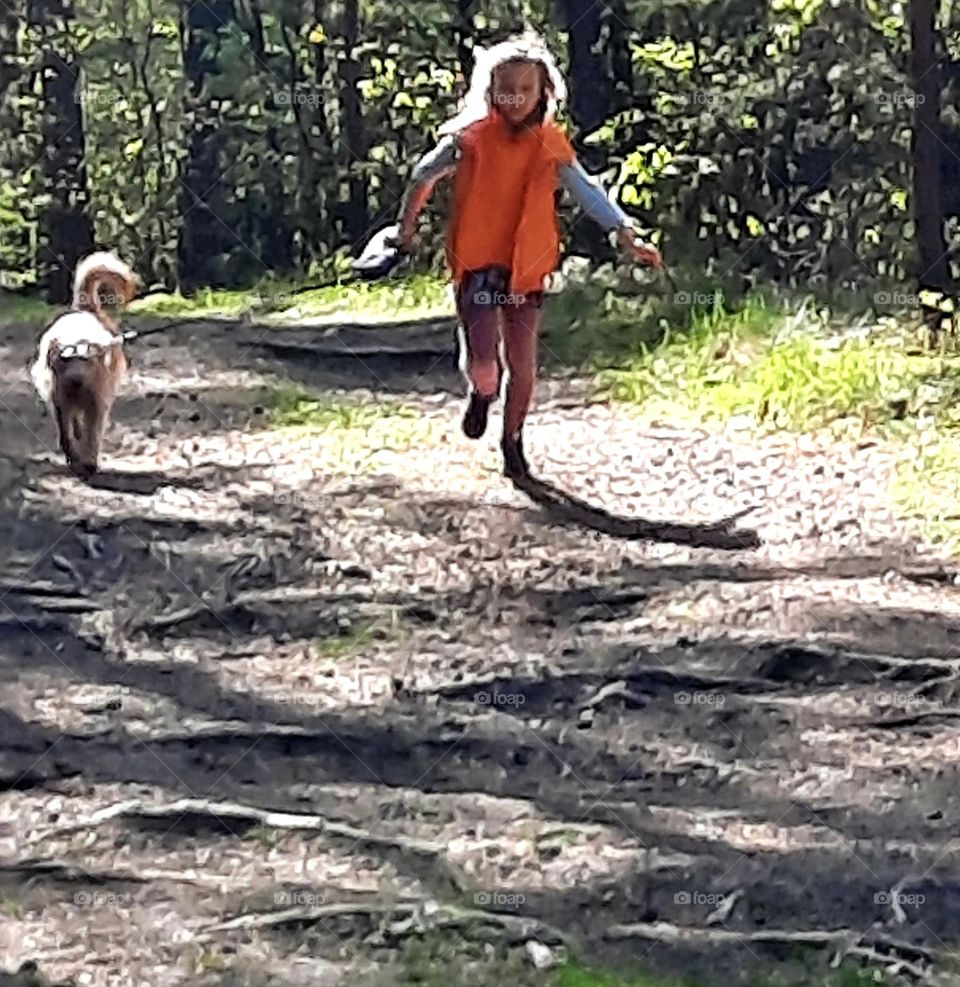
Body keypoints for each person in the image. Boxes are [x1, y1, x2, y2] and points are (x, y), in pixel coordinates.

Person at [392, 34, 663, 479]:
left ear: (544, 92)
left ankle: (513, 443)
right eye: (505, 89)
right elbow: (423, 175)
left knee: (524, 366)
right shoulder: (470, 139)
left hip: (528, 266)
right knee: (485, 364)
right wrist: (405, 230)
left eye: (524, 89)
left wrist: (625, 233)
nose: (514, 98)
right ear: (489, 91)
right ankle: (481, 395)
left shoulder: (552, 144)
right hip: (479, 263)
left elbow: (587, 190)